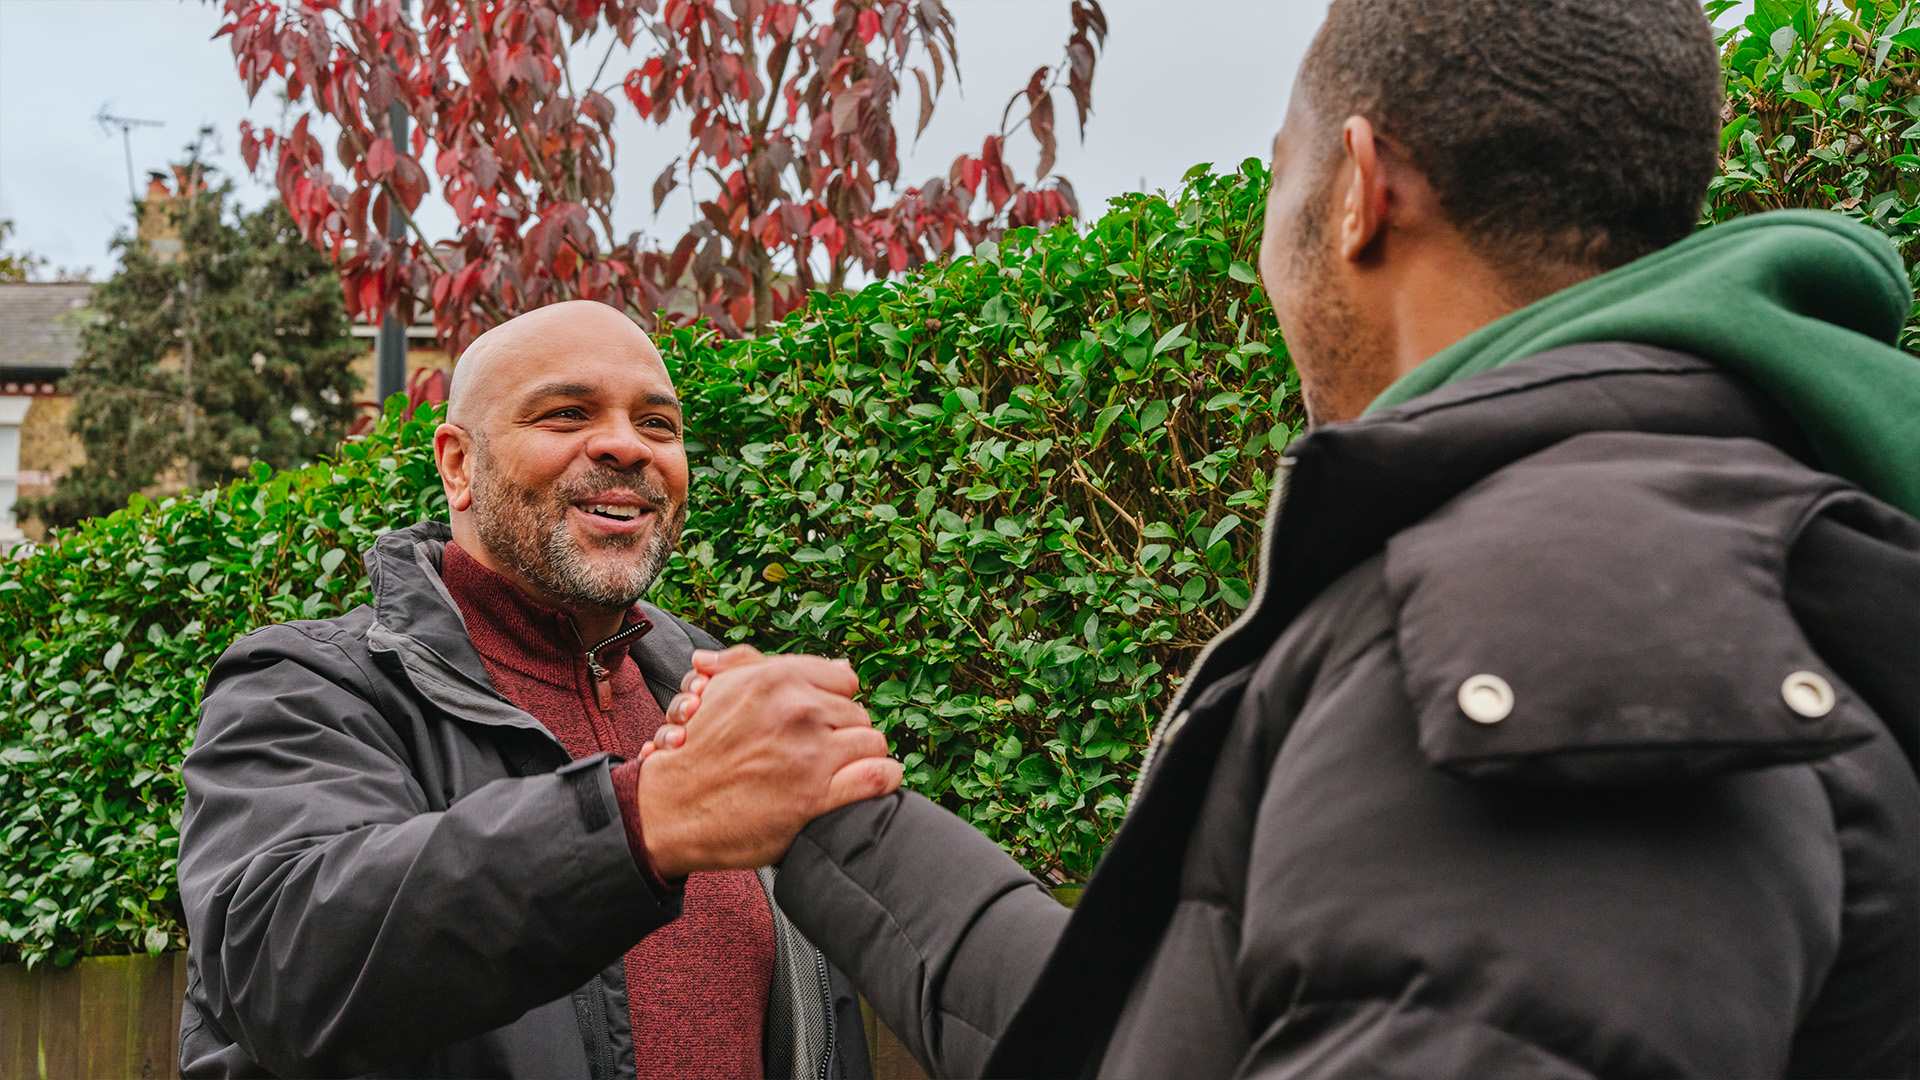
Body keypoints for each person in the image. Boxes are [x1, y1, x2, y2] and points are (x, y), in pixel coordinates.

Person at [657, 0, 1920, 1075]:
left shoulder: (1541, 628)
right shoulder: (1676, 541)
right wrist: (828, 809)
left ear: (1362, 190)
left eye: (1278, 173)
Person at [175, 300, 898, 1078]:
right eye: (566, 413)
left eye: (658, 424)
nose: (626, 444)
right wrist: (642, 820)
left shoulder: (712, 694)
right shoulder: (308, 686)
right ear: (459, 464)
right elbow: (280, 966)